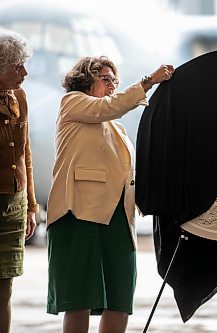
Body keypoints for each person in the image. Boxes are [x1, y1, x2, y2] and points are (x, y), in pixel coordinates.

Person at [45, 56, 174, 333]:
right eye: (106, 80)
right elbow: (111, 107)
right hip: (78, 212)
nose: (113, 85)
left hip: (117, 216)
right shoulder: (72, 102)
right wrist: (148, 81)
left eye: (115, 80)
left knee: (120, 299)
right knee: (78, 300)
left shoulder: (115, 125)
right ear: (86, 80)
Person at [0, 28, 38, 333]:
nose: (24, 72)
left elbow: (25, 153)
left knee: (5, 287)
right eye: (17, 66)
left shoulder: (20, 97)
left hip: (14, 206)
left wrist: (31, 207)